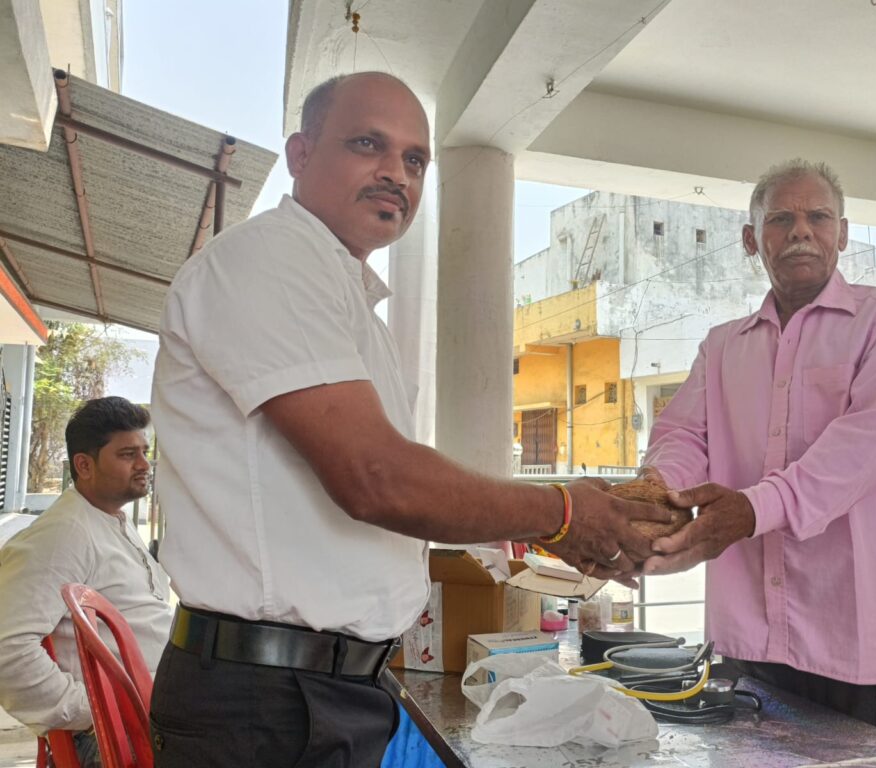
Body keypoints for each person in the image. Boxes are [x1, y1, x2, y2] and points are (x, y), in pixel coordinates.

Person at [149, 71, 667, 768]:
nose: (397, 173)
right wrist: (561, 513)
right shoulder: (268, 259)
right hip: (267, 705)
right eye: (368, 144)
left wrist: (563, 514)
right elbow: (377, 478)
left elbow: (393, 479)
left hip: (320, 692)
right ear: (301, 154)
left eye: (415, 160)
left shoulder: (346, 295)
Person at [642, 160, 876, 754]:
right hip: (754, 643)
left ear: (843, 233)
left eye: (819, 217)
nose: (801, 231)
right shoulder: (722, 345)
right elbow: (684, 435)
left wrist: (751, 510)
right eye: (781, 218)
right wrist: (653, 492)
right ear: (750, 238)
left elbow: (868, 447)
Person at [0, 397, 171, 768]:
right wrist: (93, 709)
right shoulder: (63, 534)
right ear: (84, 465)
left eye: (144, 452)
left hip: (156, 715)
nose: (144, 465)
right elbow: (7, 651)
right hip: (121, 737)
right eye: (127, 454)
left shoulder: (109, 519)